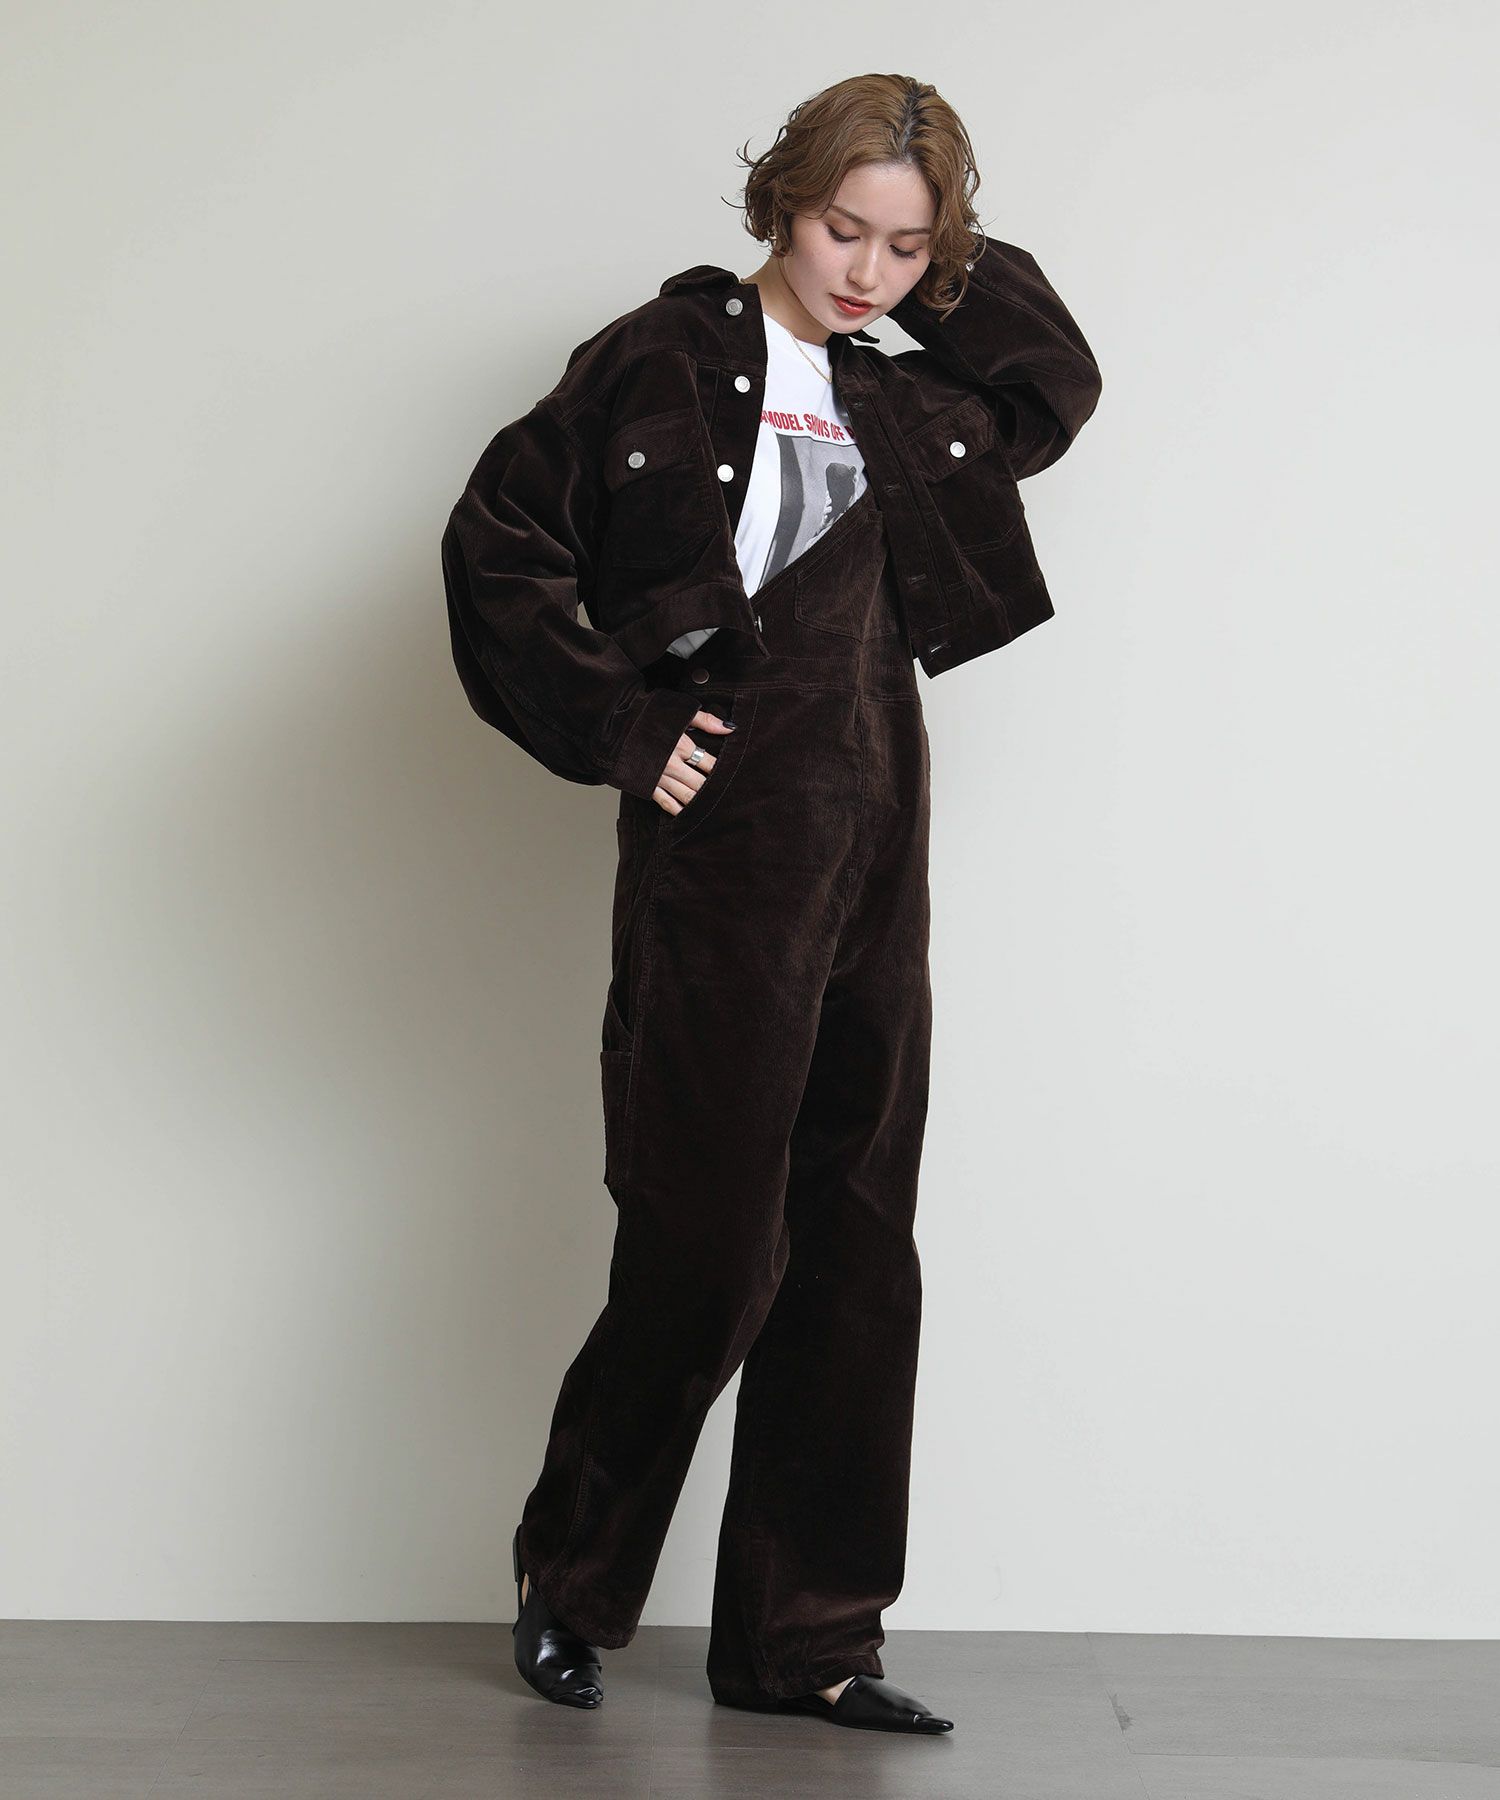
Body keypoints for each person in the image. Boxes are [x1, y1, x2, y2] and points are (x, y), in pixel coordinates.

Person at [441, 73, 1102, 1736]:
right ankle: (572, 1581)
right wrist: (622, 726)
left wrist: (947, 235)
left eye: (906, 247)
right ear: (780, 203)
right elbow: (498, 542)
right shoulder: (660, 358)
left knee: (859, 1243)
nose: (867, 273)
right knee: (709, 1234)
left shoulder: (911, 392)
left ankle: (808, 1642)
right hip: (729, 847)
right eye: (840, 229)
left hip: (882, 837)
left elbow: (1054, 378)